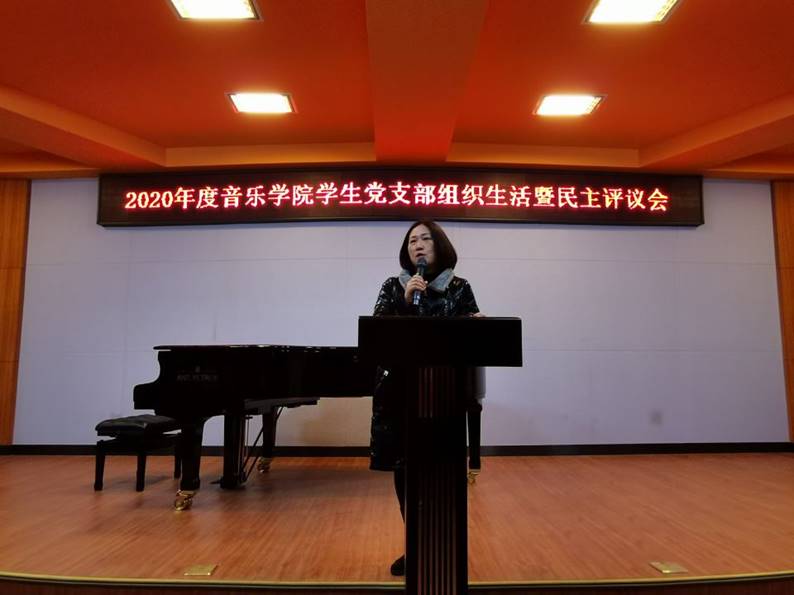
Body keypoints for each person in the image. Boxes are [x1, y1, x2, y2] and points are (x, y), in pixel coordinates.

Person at [369, 220, 481, 577]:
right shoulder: (394, 286)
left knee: (442, 471)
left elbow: (472, 338)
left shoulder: (460, 288)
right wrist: (405, 303)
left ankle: (443, 544)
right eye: (412, 241)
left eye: (425, 239)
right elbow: (376, 336)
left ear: (440, 245)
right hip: (401, 395)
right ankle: (414, 542)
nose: (417, 245)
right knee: (405, 469)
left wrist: (477, 326)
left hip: (444, 396)